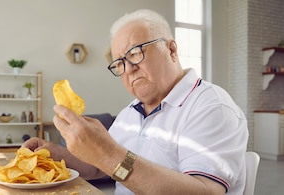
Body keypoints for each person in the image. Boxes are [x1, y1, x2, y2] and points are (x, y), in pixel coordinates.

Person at [22, 9, 249, 195]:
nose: (129, 69)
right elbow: (100, 168)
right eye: (119, 63)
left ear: (171, 50)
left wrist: (108, 154)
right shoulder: (131, 112)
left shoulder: (211, 107)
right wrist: (54, 153)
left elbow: (205, 191)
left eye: (135, 53)